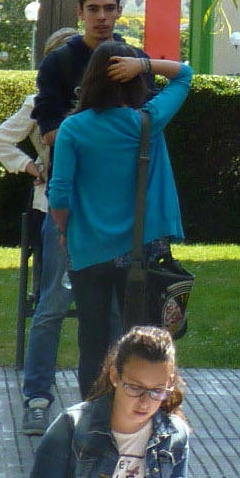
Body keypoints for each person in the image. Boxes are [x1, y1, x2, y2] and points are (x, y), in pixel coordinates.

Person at [51, 43, 193, 387]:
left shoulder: (72, 128)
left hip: (87, 250)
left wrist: (63, 230)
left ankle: (93, 417)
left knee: (93, 342)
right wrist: (143, 63)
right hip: (140, 251)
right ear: (133, 81)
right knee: (140, 342)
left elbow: (59, 192)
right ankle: (137, 413)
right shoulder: (147, 123)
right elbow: (184, 75)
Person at [0, 27, 82, 434]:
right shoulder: (39, 103)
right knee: (52, 303)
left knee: (110, 307)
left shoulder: (98, 102)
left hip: (101, 213)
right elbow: (1, 140)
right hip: (55, 212)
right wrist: (32, 166)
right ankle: (38, 396)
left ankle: (101, 395)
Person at [17, 324, 190, 478]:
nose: (145, 402)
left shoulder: (174, 435)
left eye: (157, 391)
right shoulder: (71, 428)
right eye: (134, 387)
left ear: (170, 383)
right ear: (115, 376)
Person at [33, 0, 128, 156]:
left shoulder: (136, 60)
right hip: (73, 173)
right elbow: (49, 134)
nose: (101, 16)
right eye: (93, 9)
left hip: (126, 172)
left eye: (109, 8)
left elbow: (149, 123)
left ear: (119, 11)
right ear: (80, 12)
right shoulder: (56, 62)